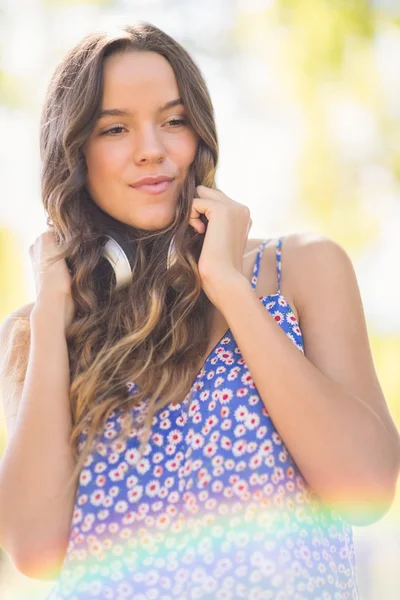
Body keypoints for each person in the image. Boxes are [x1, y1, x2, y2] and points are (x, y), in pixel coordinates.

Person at [0, 21, 399, 600]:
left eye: (174, 120)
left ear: (201, 134)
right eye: (115, 128)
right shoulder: (35, 334)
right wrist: (51, 309)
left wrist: (230, 287)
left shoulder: (304, 271)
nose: (152, 150)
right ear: (76, 156)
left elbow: (367, 489)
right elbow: (35, 553)